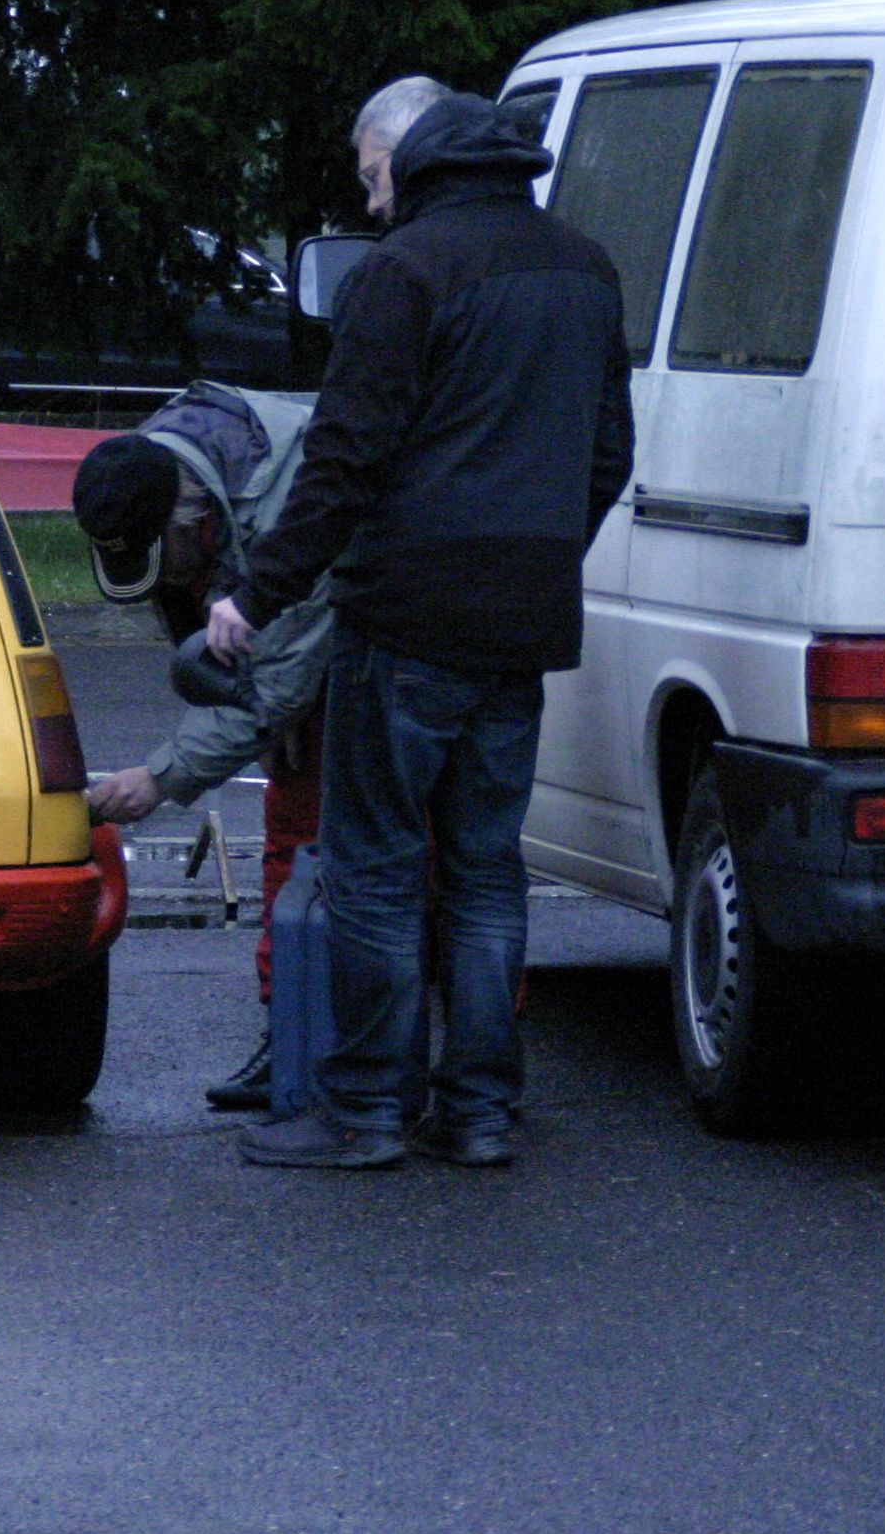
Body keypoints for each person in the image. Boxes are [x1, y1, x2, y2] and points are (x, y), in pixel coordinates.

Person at [209, 77, 630, 1171]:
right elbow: (609, 457)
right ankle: (480, 1112)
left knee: (379, 870)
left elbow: (344, 460)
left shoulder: (406, 272)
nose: (373, 202)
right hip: (524, 624)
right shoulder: (586, 268)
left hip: (407, 619)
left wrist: (254, 596)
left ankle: (366, 1110)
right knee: (486, 870)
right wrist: (542, 556)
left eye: (375, 178)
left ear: (420, 160)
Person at [72, 383, 335, 1110]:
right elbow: (190, 613)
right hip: (297, 643)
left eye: (168, 556)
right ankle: (292, 1039)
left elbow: (289, 656)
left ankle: (446, 1061)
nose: (169, 576)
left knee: (422, 858)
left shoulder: (285, 498)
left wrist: (163, 776)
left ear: (190, 517)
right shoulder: (148, 474)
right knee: (293, 839)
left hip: (396, 640)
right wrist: (253, 707)